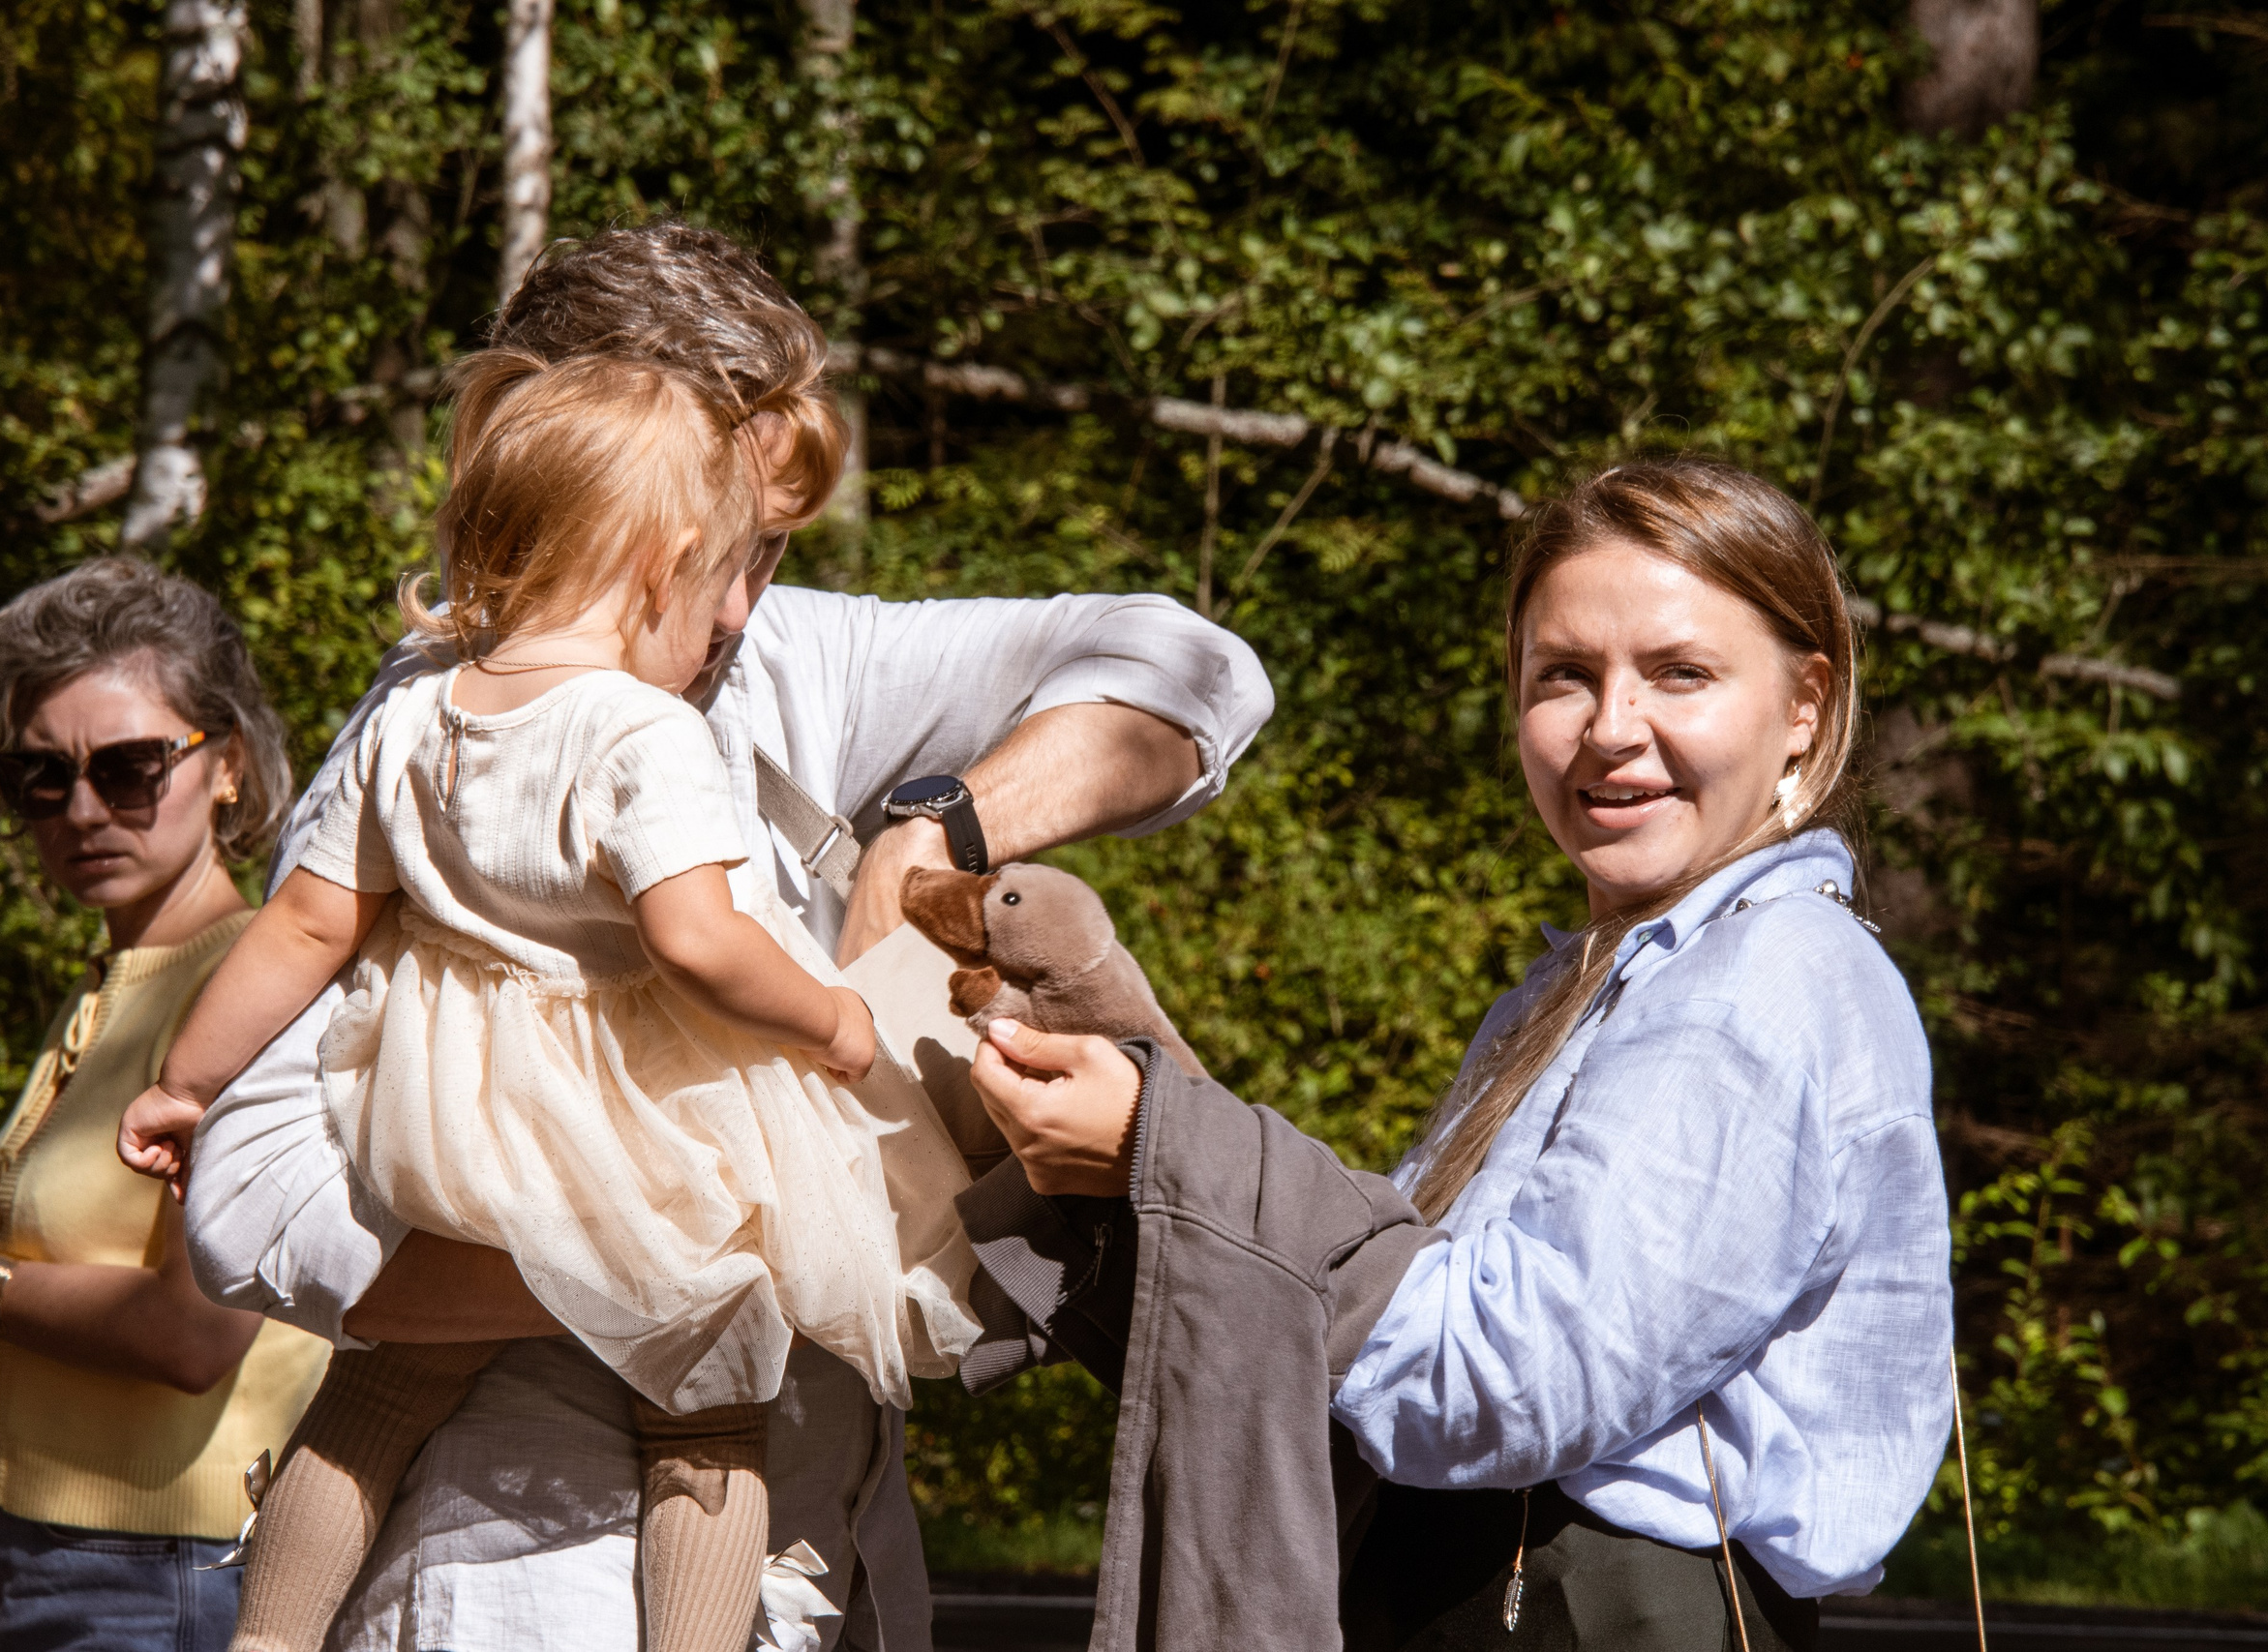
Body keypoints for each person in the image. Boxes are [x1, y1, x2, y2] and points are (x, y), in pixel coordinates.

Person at [176, 221, 1276, 1652]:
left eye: (768, 548)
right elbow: (246, 1212)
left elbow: (1198, 674)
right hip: (526, 1574)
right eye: (716, 551)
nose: (745, 605)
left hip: (817, 1568)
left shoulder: (763, 644)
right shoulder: (429, 735)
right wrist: (714, 1249)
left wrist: (937, 830)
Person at [964, 455, 1952, 1651]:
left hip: (1598, 1609)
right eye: (1564, 678)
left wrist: (1172, 1147)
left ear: (1804, 704)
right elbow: (1387, 1316)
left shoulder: (1767, 980)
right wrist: (1133, 1156)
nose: (1611, 731)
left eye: (1680, 674)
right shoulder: (1592, 980)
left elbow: (1510, 1377)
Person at [122, 348, 978, 1652]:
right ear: (663, 562)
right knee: (708, 1400)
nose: (732, 621)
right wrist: (828, 1017)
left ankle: (269, 1637)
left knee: (380, 1389)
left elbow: (304, 919)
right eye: (728, 576)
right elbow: (696, 941)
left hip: (445, 1108)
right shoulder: (644, 735)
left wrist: (186, 1076)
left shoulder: (417, 712)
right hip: (629, 1116)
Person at [0, 558, 330, 1651]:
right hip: (24, 1553)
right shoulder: (110, 990)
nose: (84, 808)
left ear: (228, 763)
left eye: (131, 766)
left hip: (166, 1577)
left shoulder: (258, 987)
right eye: (40, 778)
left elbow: (197, 1333)